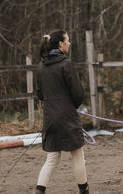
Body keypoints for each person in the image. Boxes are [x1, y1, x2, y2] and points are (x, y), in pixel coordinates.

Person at [35, 30, 89, 194]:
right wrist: (71, 106)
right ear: (60, 44)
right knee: (78, 156)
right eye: (68, 40)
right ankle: (84, 191)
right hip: (67, 116)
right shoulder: (66, 64)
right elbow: (78, 94)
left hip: (50, 117)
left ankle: (39, 191)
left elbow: (40, 94)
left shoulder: (40, 67)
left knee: (51, 159)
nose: (70, 43)